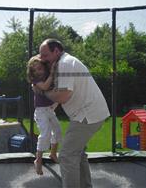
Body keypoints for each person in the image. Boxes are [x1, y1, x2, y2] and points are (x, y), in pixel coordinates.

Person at [36, 38, 110, 187]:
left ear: (56, 51)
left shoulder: (65, 64)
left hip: (87, 115)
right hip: (91, 112)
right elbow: (64, 93)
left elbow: (63, 96)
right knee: (78, 153)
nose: (42, 59)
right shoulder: (63, 63)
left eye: (45, 55)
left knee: (67, 156)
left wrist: (43, 93)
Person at [27, 55, 62, 175]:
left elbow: (56, 89)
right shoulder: (36, 81)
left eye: (40, 69)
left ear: (44, 68)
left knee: (57, 131)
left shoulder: (48, 77)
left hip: (50, 110)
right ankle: (38, 160)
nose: (38, 72)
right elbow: (45, 86)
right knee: (45, 134)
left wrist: (56, 103)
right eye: (35, 70)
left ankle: (53, 153)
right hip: (41, 112)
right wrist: (52, 73)